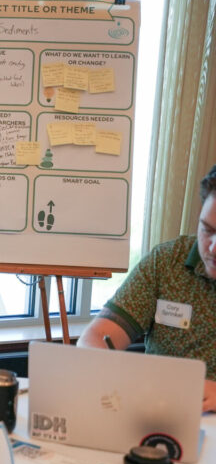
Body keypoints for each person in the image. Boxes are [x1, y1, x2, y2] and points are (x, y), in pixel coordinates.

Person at [79, 164, 216, 412]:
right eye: (207, 230)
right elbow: (95, 338)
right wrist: (108, 375)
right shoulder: (167, 262)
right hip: (157, 416)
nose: (213, 248)